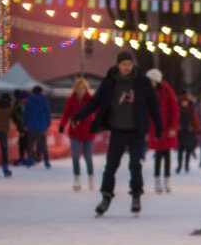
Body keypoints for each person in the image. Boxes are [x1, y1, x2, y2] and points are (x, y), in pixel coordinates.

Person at [72, 51, 162, 216]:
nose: (126, 67)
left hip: (136, 131)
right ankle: (106, 196)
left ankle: (136, 195)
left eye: (129, 63)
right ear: (118, 65)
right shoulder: (110, 82)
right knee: (110, 166)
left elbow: (154, 106)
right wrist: (80, 115)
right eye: (123, 64)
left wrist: (159, 127)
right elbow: (95, 101)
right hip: (118, 130)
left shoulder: (143, 82)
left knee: (135, 165)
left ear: (132, 64)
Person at [58, 78, 97, 191]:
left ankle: (91, 178)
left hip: (88, 131)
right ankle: (77, 180)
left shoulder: (91, 99)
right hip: (74, 131)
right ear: (75, 89)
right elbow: (66, 113)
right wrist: (62, 125)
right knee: (75, 156)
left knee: (87, 156)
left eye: (83, 88)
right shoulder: (71, 100)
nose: (81, 90)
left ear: (86, 89)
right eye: (78, 88)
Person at [145, 69, 179, 194]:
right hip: (155, 129)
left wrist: (173, 127)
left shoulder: (167, 91)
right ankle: (157, 182)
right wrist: (146, 131)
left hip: (166, 128)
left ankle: (167, 181)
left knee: (167, 156)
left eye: (152, 81)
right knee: (158, 156)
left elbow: (174, 110)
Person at [23, 85, 52, 168]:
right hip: (41, 125)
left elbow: (25, 113)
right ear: (40, 92)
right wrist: (47, 123)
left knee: (30, 144)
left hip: (30, 125)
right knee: (43, 144)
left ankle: (30, 159)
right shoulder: (43, 100)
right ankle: (46, 161)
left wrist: (25, 123)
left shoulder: (29, 101)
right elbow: (47, 112)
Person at [175, 91, 201, 174]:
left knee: (188, 152)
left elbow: (195, 120)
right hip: (180, 133)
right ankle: (179, 166)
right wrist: (176, 126)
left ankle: (186, 166)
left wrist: (197, 128)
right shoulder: (177, 110)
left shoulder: (191, 109)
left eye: (186, 102)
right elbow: (174, 120)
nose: (184, 103)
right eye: (183, 102)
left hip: (189, 133)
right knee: (180, 151)